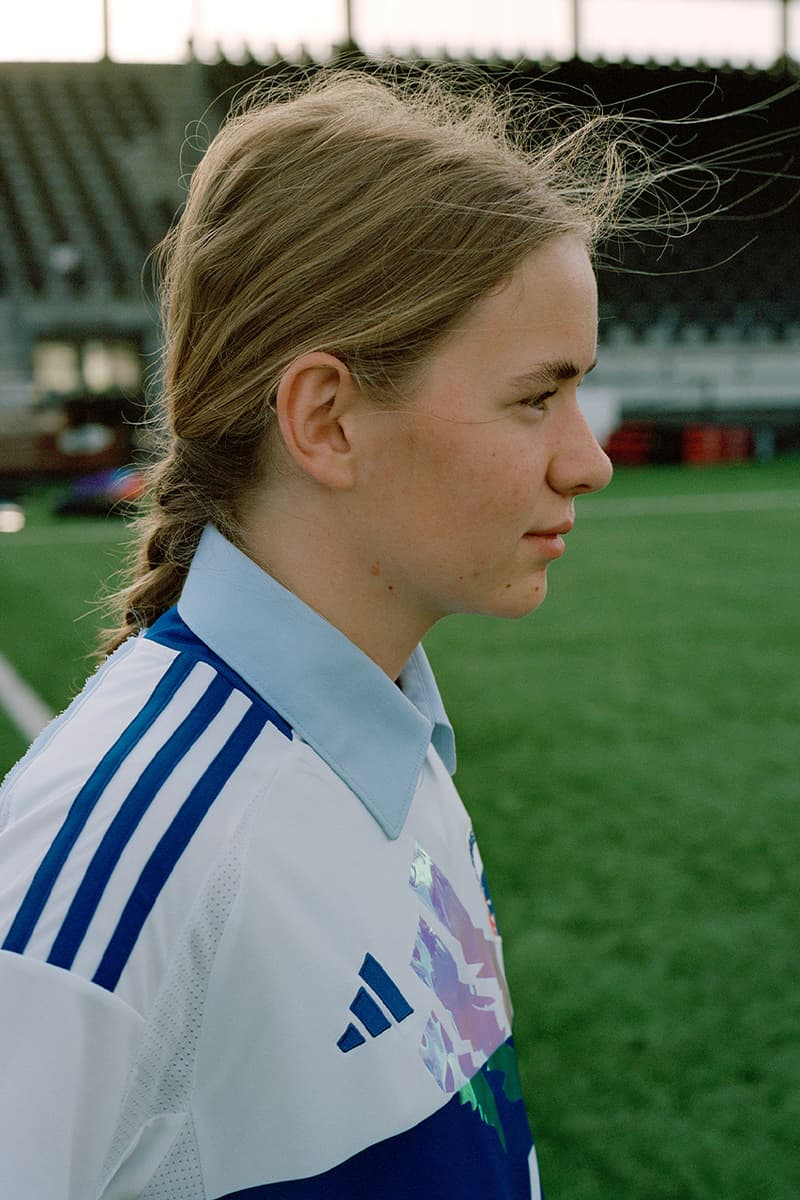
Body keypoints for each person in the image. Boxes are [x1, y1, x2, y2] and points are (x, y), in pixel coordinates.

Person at [0, 70, 617, 1198]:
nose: (589, 460)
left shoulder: (394, 746)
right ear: (326, 420)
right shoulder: (125, 861)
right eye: (537, 397)